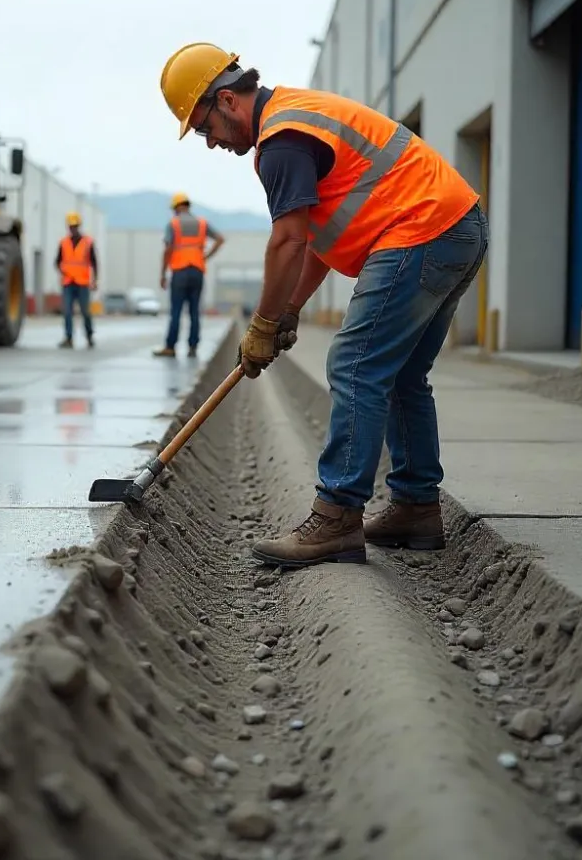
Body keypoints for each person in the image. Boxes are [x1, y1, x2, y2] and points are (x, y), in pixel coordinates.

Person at [160, 43, 488, 569]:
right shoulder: (295, 117)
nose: (210, 143)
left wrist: (262, 324)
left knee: (355, 364)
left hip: (421, 231)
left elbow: (287, 241)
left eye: (205, 129)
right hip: (456, 226)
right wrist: (288, 310)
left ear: (226, 101)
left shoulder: (282, 141)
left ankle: (336, 517)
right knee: (400, 374)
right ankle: (416, 506)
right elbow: (314, 241)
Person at [154, 192, 224, 358]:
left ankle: (170, 347)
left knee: (176, 311)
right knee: (194, 312)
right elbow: (220, 239)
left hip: (179, 271)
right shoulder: (202, 223)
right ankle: (193, 347)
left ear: (177, 207)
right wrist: (205, 257)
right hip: (197, 271)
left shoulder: (173, 224)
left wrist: (163, 273)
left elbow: (168, 249)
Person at [55, 211, 98, 348]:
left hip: (82, 283)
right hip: (68, 283)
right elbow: (58, 261)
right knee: (67, 311)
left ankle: (89, 335)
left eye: (75, 226)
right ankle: (68, 338)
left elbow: (94, 262)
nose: (73, 229)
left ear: (78, 226)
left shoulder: (88, 242)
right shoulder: (63, 243)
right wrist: (63, 272)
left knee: (85, 311)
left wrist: (95, 280)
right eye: (71, 226)